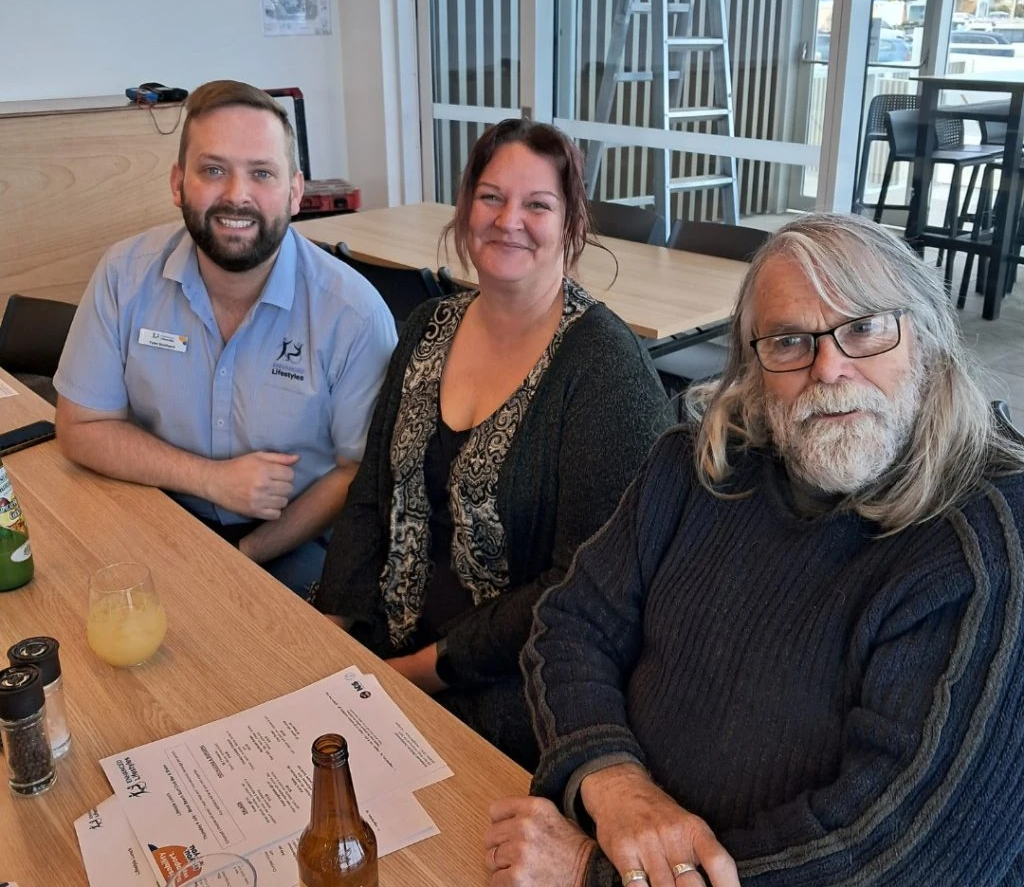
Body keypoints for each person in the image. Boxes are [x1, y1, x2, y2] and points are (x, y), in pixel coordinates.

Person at [488, 213, 1024, 886]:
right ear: (751, 364)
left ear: (928, 341)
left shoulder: (986, 555)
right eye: (791, 340)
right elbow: (569, 625)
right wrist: (613, 780)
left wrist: (591, 873)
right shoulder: (697, 467)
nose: (830, 367)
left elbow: (897, 859)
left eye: (864, 328)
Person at [314, 118, 673, 767]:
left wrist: (418, 672)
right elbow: (372, 492)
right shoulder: (428, 327)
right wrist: (335, 628)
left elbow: (578, 586)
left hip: (511, 688)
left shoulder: (603, 369)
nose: (510, 219)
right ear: (465, 208)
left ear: (571, 225)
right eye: (491, 197)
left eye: (538, 204)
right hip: (384, 644)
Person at [54, 80, 396, 597]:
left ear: (296, 192)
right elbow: (80, 426)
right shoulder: (124, 275)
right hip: (154, 509)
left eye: (262, 173)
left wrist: (242, 557)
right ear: (178, 183)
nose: (236, 194)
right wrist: (210, 480)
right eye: (213, 170)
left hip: (294, 541)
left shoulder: (353, 314)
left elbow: (357, 474)